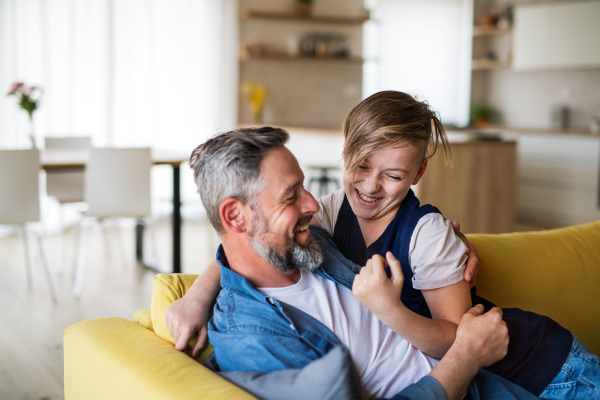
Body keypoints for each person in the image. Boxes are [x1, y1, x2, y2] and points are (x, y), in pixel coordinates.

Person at [183, 127, 537, 400]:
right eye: (291, 195)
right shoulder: (250, 336)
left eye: (304, 187)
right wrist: (467, 356)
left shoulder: (309, 244)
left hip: (502, 379)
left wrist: (448, 240)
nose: (311, 204)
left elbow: (237, 255)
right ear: (235, 216)